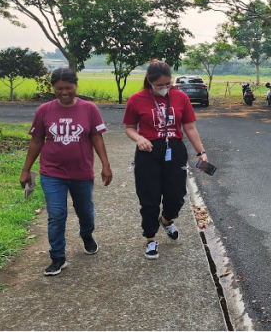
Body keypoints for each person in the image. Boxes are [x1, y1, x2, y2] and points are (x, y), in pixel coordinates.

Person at [20, 67, 113, 276]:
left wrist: (105, 165)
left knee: (86, 212)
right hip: (52, 172)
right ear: (53, 88)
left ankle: (87, 234)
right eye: (59, 88)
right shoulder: (44, 110)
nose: (64, 92)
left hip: (82, 172)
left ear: (76, 86)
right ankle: (58, 257)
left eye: (69, 88)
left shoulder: (89, 109)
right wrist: (26, 170)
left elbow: (97, 138)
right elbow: (36, 141)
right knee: (56, 214)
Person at [123, 60, 209, 260]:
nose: (164, 88)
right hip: (148, 151)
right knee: (149, 198)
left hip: (174, 149)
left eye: (167, 84)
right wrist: (139, 138)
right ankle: (151, 239)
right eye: (159, 85)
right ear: (149, 82)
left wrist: (201, 152)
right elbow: (129, 128)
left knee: (176, 195)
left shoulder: (180, 98)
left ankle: (167, 220)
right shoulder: (136, 99)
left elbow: (189, 127)